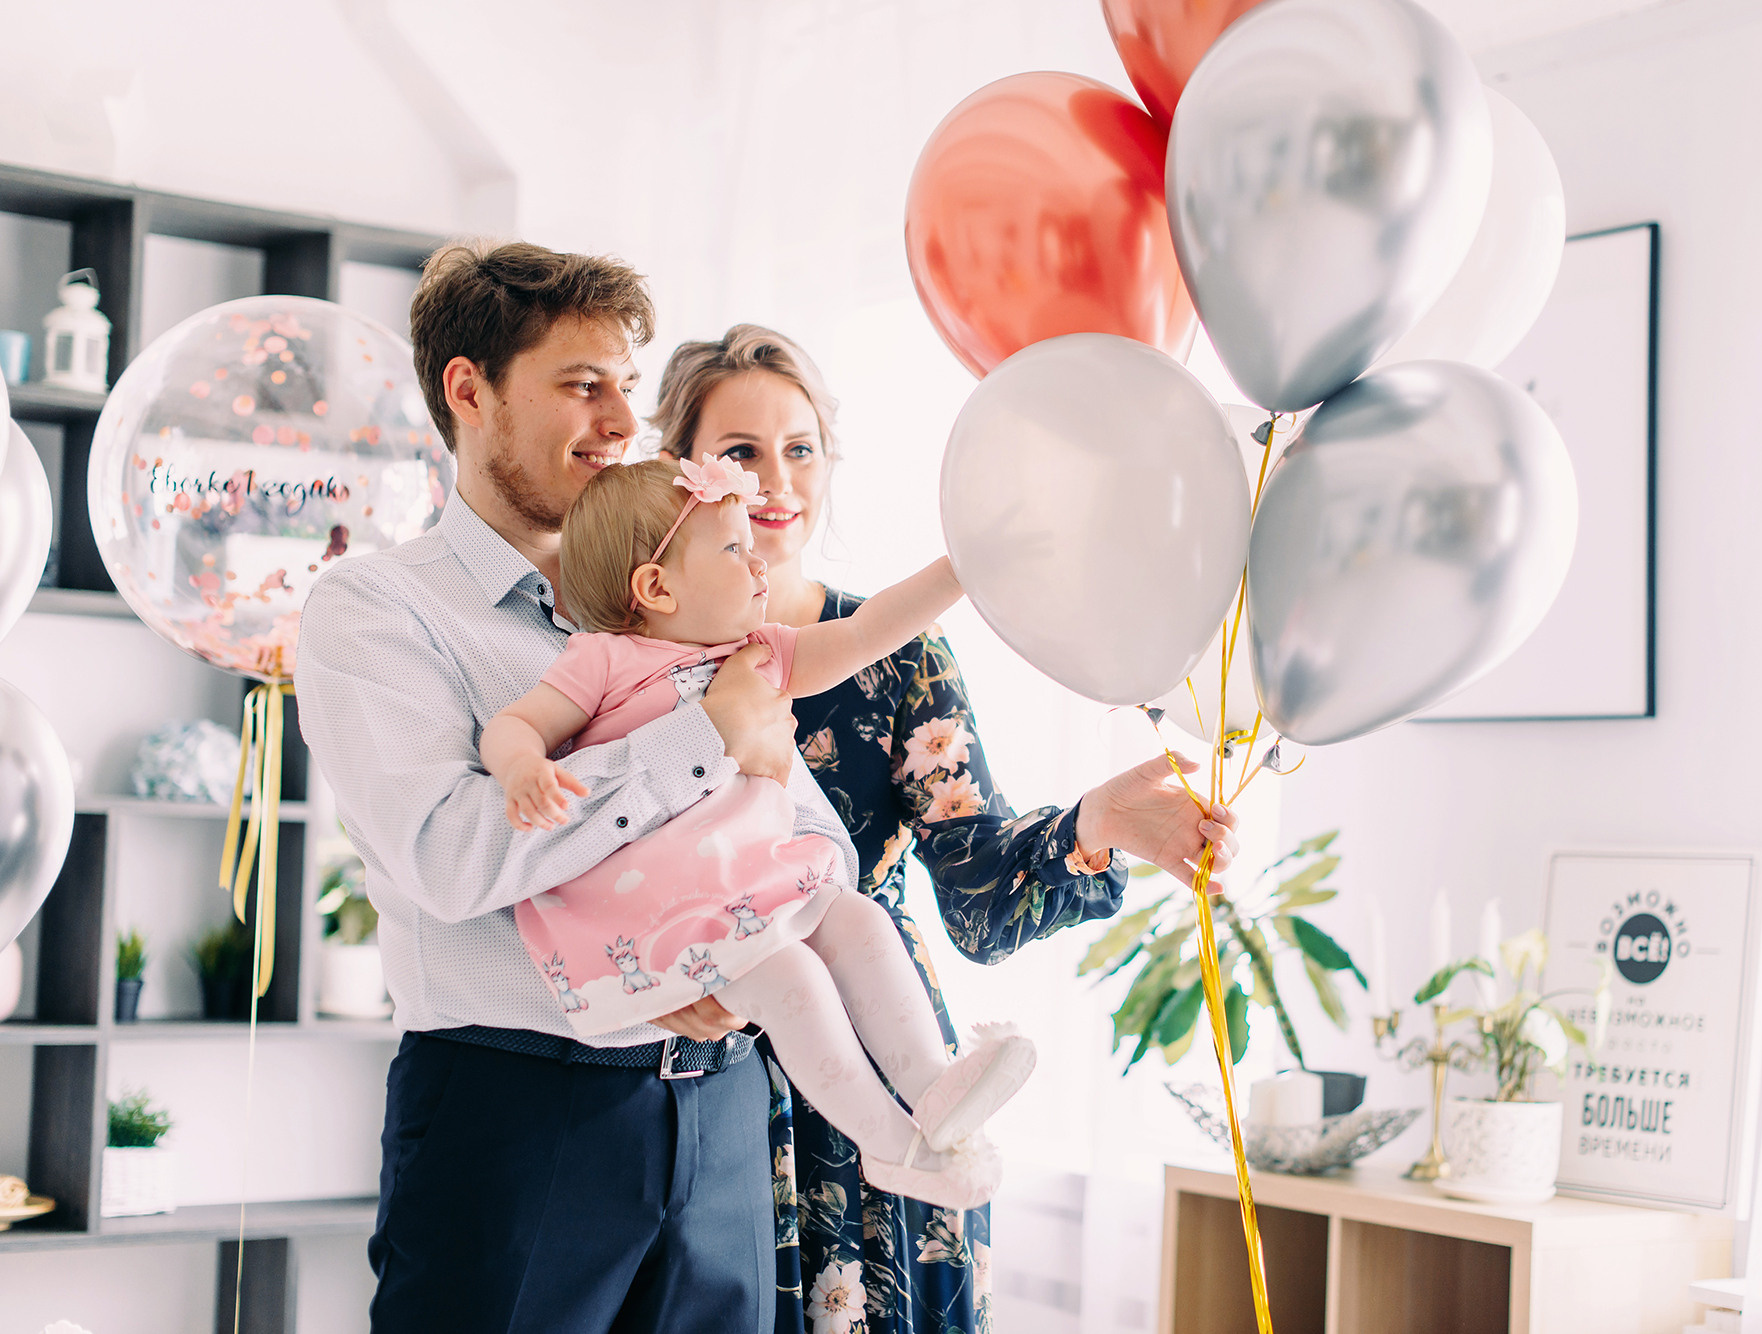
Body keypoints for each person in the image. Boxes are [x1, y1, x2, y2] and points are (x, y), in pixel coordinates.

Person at [649, 326, 1240, 1334]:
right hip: (694, 1068)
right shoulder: (625, 651)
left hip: (886, 1055)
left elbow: (973, 895)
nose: (777, 480)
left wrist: (1092, 821)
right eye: (741, 450)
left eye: (801, 447)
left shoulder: (893, 655)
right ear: (683, 465)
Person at [295, 242, 811, 1333]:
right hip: (517, 1118)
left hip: (719, 1105)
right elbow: (450, 851)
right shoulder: (376, 608)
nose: (624, 419)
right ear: (469, 389)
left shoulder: (677, 587)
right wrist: (692, 736)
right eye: (584, 384)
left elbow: (783, 819)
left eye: (626, 384)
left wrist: (717, 948)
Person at [481, 451, 1034, 1208]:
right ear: (656, 586)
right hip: (671, 909)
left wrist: (962, 568)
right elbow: (517, 723)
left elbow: (873, 629)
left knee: (863, 921)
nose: (761, 564)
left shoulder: (763, 653)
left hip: (762, 877)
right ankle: (891, 1145)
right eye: (735, 549)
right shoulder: (603, 660)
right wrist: (522, 769)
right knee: (794, 978)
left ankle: (932, 1088)